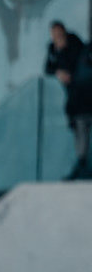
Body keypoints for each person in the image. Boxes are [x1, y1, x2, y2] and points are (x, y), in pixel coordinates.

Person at [46, 22, 92, 179]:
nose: (56, 36)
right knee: (78, 128)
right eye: (53, 33)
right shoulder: (53, 47)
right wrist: (58, 71)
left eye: (58, 32)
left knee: (83, 126)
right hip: (74, 98)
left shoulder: (75, 43)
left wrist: (63, 51)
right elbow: (48, 68)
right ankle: (82, 163)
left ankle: (83, 164)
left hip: (85, 94)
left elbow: (78, 67)